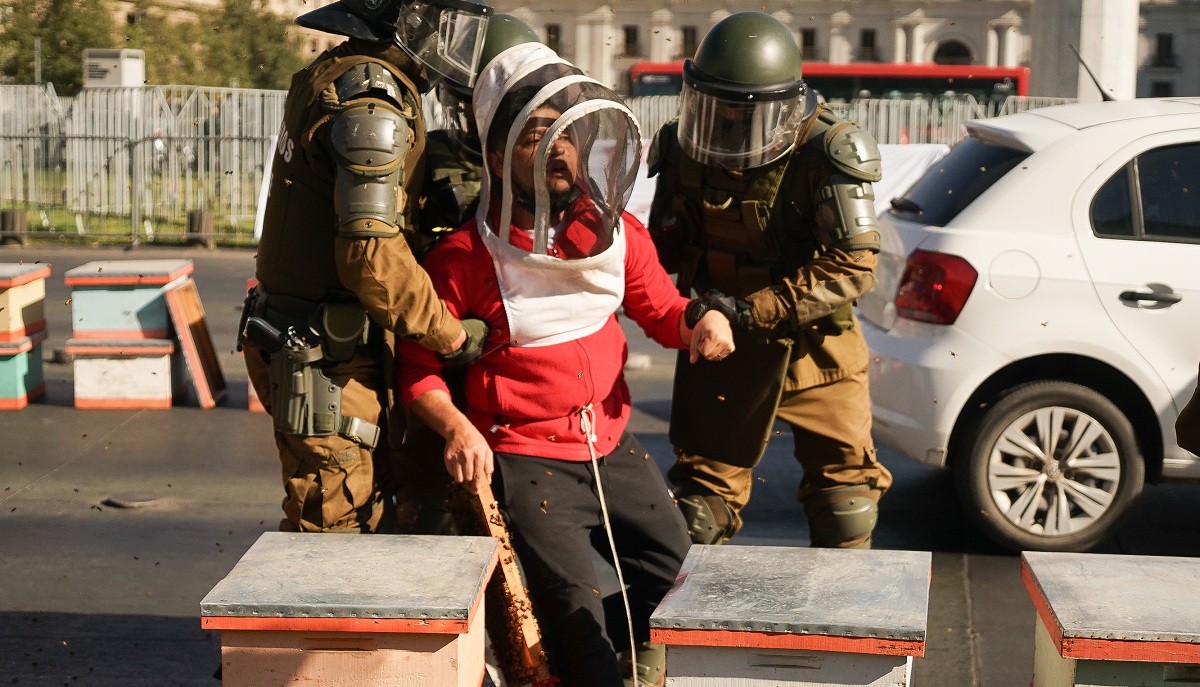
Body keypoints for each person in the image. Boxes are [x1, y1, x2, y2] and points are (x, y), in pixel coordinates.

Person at [397, 43, 735, 687]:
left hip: (612, 446)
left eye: (566, 131)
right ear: (496, 153)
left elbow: (663, 310)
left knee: (683, 585)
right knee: (579, 632)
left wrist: (703, 320)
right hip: (525, 460)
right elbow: (418, 370)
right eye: (534, 134)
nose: (557, 148)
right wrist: (457, 427)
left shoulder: (616, 236)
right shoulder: (462, 260)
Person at [239, 0, 493, 534]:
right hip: (327, 358)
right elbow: (370, 259)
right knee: (335, 535)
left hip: (312, 341)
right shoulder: (372, 100)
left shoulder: (335, 73)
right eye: (446, 24)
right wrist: (449, 335)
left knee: (345, 520)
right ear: (407, 20)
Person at [646, 11, 893, 549]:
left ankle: (848, 630)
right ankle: (666, 632)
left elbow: (854, 264)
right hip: (720, 344)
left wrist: (750, 311)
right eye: (717, 106)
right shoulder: (682, 147)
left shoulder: (827, 151)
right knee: (698, 512)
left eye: (741, 110)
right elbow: (659, 246)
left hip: (818, 351)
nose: (728, 120)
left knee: (846, 504)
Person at [398, 13, 543, 535]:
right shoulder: (427, 157)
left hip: (516, 373)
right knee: (430, 510)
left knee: (531, 517)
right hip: (437, 359)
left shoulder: (547, 169)